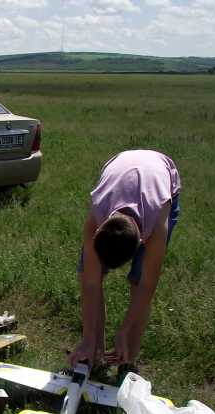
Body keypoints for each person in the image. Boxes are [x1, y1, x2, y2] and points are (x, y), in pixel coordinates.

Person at [69, 149, 180, 368]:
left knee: (138, 282)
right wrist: (88, 338)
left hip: (161, 178)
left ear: (141, 244)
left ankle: (127, 360)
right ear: (98, 231)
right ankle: (94, 354)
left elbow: (147, 286)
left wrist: (124, 331)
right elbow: (90, 283)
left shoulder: (156, 226)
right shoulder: (97, 214)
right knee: (87, 274)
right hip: (120, 169)